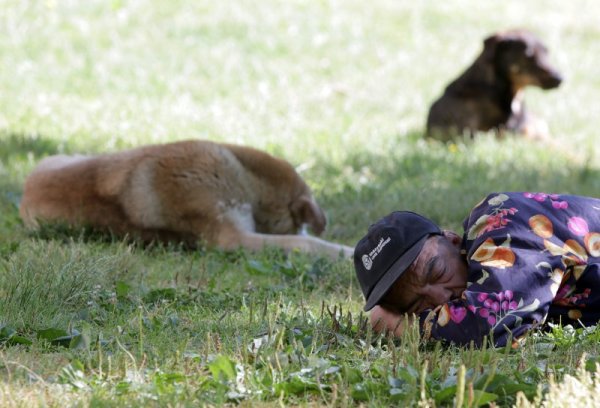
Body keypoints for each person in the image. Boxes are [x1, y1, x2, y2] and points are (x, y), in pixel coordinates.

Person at [353, 192, 600, 347]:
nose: (440, 298)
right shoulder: (485, 278)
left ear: (452, 240)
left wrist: (398, 326)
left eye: (437, 272)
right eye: (417, 305)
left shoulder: (498, 219)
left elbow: (495, 325)